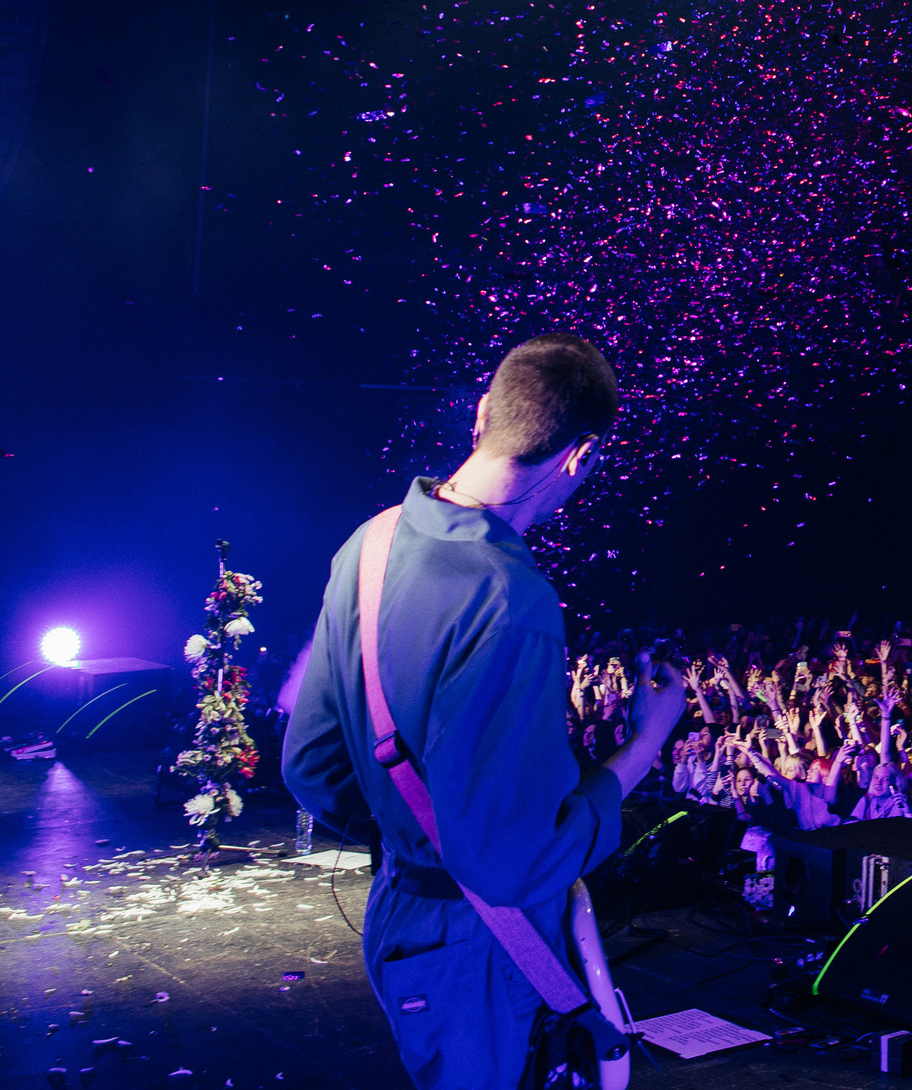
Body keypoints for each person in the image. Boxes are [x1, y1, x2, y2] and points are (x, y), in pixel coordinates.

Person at [285, 334, 691, 1090]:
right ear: (580, 457)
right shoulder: (513, 601)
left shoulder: (368, 544)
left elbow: (310, 769)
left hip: (398, 914)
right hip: (476, 943)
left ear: (482, 415)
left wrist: (415, 831)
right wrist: (646, 740)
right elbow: (513, 862)